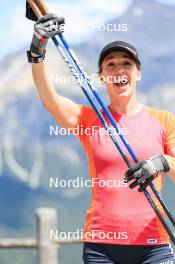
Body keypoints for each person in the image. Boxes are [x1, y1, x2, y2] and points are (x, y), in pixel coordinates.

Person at [27, 14, 175, 264]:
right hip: (101, 246)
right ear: (102, 76)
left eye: (127, 64)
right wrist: (38, 48)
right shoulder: (89, 119)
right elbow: (49, 99)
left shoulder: (164, 120)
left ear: (138, 73)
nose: (119, 70)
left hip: (154, 245)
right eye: (111, 65)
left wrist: (162, 162)